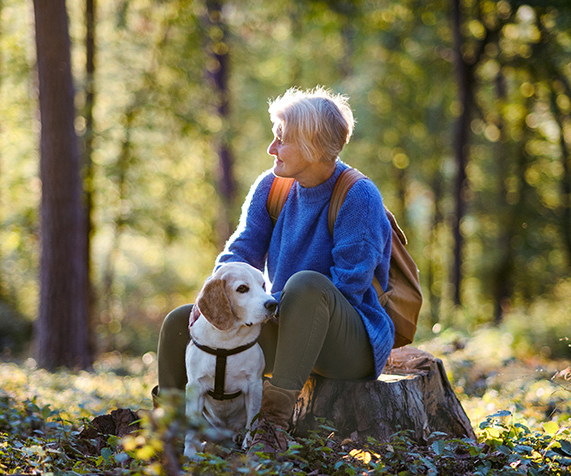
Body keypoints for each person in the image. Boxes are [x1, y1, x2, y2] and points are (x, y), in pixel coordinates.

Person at [155, 86, 394, 453]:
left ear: (313, 146)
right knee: (179, 322)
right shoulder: (271, 187)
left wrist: (272, 303)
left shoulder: (358, 196)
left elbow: (349, 285)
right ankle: (173, 431)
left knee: (306, 285)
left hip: (347, 342)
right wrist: (212, 298)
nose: (271, 148)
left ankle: (271, 426)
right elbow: (238, 253)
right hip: (283, 323)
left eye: (281, 140)